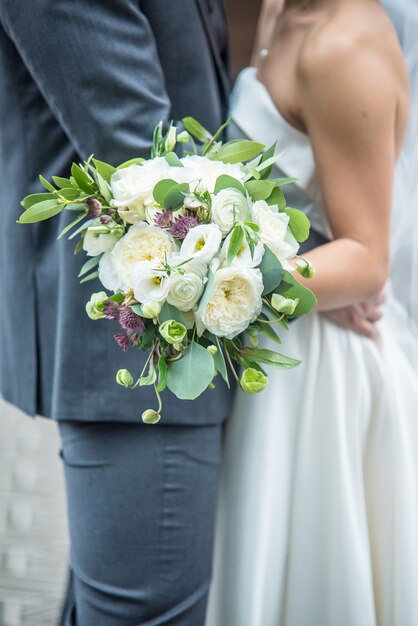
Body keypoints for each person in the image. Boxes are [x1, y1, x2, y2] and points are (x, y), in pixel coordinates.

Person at [0, 2, 234, 625]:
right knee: (145, 611)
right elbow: (141, 154)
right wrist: (317, 265)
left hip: (170, 332)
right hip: (137, 339)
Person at [206, 1, 418, 625]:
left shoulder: (345, 47)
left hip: (320, 369)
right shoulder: (280, 9)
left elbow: (366, 259)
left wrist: (212, 276)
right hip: (267, 346)